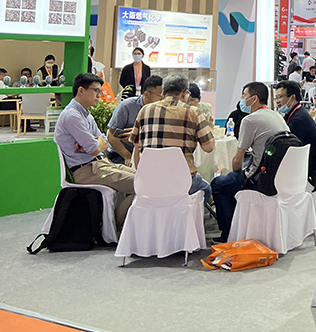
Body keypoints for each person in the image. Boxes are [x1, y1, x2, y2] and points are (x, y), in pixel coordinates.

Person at [53, 73, 135, 229]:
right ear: (81, 91)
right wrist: (96, 144)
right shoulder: (72, 116)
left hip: (101, 165)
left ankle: (115, 225)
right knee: (141, 184)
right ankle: (116, 228)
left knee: (144, 178)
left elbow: (104, 141)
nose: (99, 95)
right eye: (96, 90)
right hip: (87, 171)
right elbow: (95, 149)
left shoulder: (85, 114)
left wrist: (95, 144)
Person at [211, 82, 289, 239]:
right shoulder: (277, 116)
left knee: (218, 184)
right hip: (280, 176)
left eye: (244, 96)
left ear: (254, 99)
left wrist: (236, 173)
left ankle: (229, 234)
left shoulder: (250, 120)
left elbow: (237, 161)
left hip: (259, 179)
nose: (242, 100)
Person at [130, 74, 215, 204]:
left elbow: (136, 146)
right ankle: (186, 215)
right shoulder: (194, 112)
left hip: (149, 179)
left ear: (163, 92)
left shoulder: (145, 110)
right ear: (184, 93)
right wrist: (209, 128)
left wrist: (140, 173)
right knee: (206, 189)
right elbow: (208, 147)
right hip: (181, 181)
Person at [106, 75, 163, 165]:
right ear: (147, 94)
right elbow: (111, 136)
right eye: (159, 95)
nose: (162, 99)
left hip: (147, 155)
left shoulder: (161, 110)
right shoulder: (127, 106)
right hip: (121, 154)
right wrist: (127, 156)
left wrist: (137, 134)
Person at [274, 79, 316, 175]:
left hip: (302, 166)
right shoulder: (297, 112)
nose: (277, 101)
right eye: (276, 98)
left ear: (292, 97)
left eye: (280, 97)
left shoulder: (298, 120)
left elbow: (291, 149)